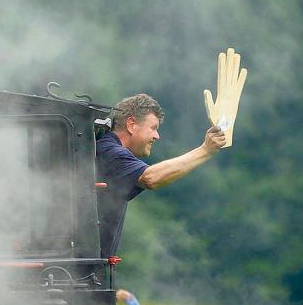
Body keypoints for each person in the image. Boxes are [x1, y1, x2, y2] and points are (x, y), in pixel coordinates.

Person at [95, 93, 227, 258]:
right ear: (131, 124)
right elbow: (151, 178)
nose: (157, 136)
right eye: (153, 128)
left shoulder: (106, 149)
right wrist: (205, 150)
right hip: (79, 273)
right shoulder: (110, 152)